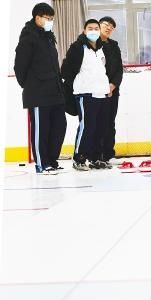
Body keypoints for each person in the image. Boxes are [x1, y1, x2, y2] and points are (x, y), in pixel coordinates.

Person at [14, 2, 67, 175]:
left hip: (55, 92)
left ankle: (52, 160)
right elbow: (19, 67)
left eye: (52, 18)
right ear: (37, 18)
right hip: (38, 94)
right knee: (41, 129)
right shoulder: (28, 37)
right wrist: (30, 86)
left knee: (60, 126)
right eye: (47, 18)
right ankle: (41, 164)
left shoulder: (49, 37)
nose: (50, 21)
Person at [61, 19, 112, 171]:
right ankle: (79, 158)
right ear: (84, 30)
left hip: (101, 93)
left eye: (96, 28)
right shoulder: (77, 47)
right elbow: (66, 71)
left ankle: (95, 158)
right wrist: (78, 85)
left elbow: (103, 70)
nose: (94, 31)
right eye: (90, 28)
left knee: (100, 127)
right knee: (87, 126)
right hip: (85, 93)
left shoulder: (102, 48)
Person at [99, 16, 123, 165]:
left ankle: (108, 153)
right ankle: (97, 154)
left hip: (112, 91)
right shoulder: (91, 44)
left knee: (110, 122)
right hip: (96, 90)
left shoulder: (114, 45)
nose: (108, 28)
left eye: (111, 27)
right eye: (106, 24)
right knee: (97, 123)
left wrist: (113, 85)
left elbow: (119, 69)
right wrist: (102, 86)